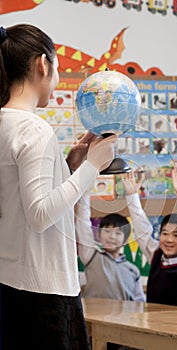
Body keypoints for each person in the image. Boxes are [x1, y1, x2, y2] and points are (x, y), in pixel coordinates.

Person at [0, 23, 115, 350]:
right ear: (42, 64)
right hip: (43, 292)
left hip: (12, 285)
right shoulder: (33, 128)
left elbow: (20, 203)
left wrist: (68, 167)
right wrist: (93, 165)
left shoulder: (6, 122)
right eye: (58, 67)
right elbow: (39, 215)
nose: (58, 77)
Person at [121, 163, 177, 306]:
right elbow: (142, 228)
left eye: (176, 235)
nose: (169, 240)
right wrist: (132, 196)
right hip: (151, 323)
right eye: (165, 233)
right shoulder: (156, 255)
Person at [75, 191, 145, 302]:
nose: (112, 236)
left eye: (118, 233)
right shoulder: (92, 257)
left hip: (125, 318)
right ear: (98, 235)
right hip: (94, 317)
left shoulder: (133, 270)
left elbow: (140, 302)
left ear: (125, 241)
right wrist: (85, 193)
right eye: (107, 231)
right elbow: (82, 224)